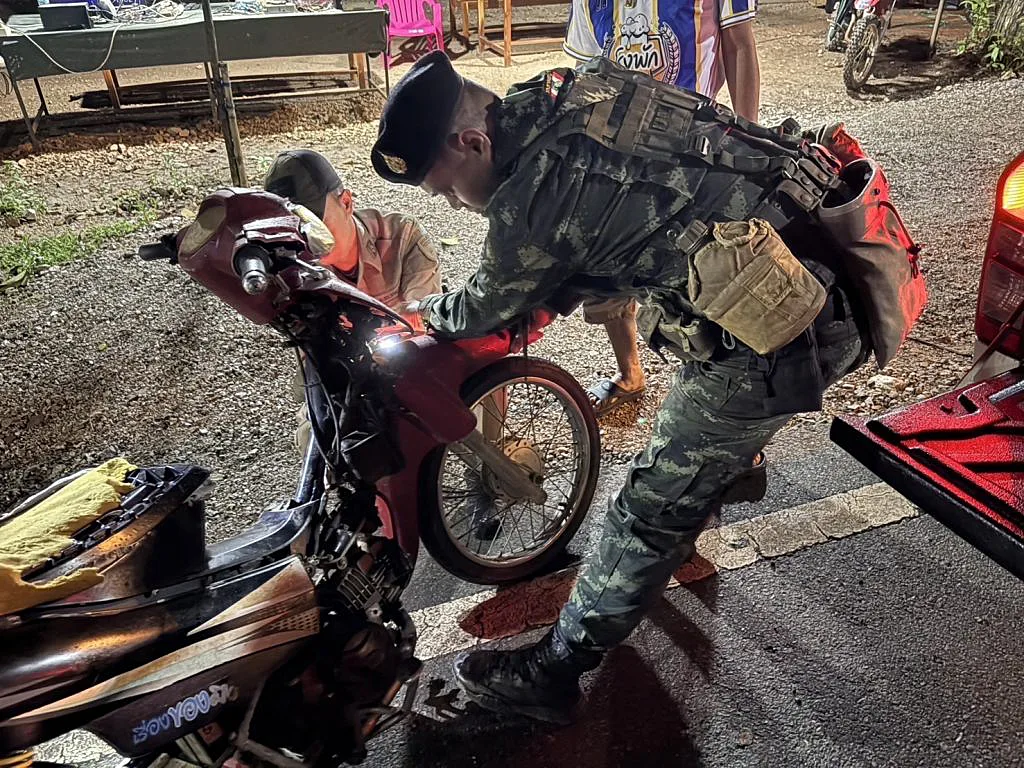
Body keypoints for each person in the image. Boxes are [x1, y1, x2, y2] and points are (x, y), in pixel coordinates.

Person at [370, 52, 875, 724]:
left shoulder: (531, 198)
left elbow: (483, 304)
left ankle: (552, 673)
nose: (453, 203)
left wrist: (415, 315)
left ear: (473, 143)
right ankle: (723, 473)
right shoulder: (568, 94)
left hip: (789, 328)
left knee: (646, 508)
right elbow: (613, 219)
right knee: (696, 435)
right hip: (809, 241)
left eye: (445, 190)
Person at [563, 0, 762, 417]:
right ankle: (630, 373)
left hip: (693, 148)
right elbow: (587, 70)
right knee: (607, 264)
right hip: (619, 148)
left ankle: (721, 391)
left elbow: (739, 45)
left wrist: (748, 139)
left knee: (706, 269)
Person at [263, 149, 441, 452]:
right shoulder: (291, 272)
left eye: (315, 221)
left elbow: (422, 318)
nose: (308, 240)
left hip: (411, 365)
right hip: (347, 381)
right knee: (314, 440)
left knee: (476, 366)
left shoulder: (402, 238)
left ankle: (491, 472)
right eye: (295, 228)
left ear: (346, 202)